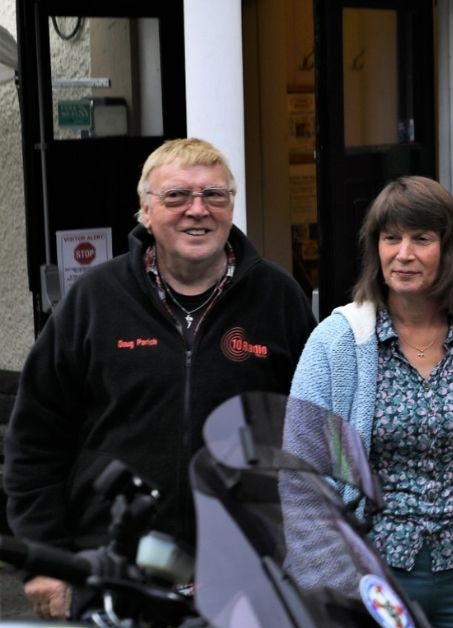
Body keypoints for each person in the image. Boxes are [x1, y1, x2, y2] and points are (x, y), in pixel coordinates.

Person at [4, 137, 317, 619]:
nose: (198, 210)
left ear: (231, 207)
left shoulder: (278, 298)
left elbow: (310, 438)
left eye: (214, 195)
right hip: (114, 574)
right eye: (176, 196)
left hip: (246, 578)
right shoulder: (93, 302)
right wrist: (47, 559)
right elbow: (35, 443)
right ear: (145, 213)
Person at [289, 176, 453, 628]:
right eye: (391, 238)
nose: (403, 253)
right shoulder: (337, 343)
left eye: (421, 238)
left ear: (448, 250)